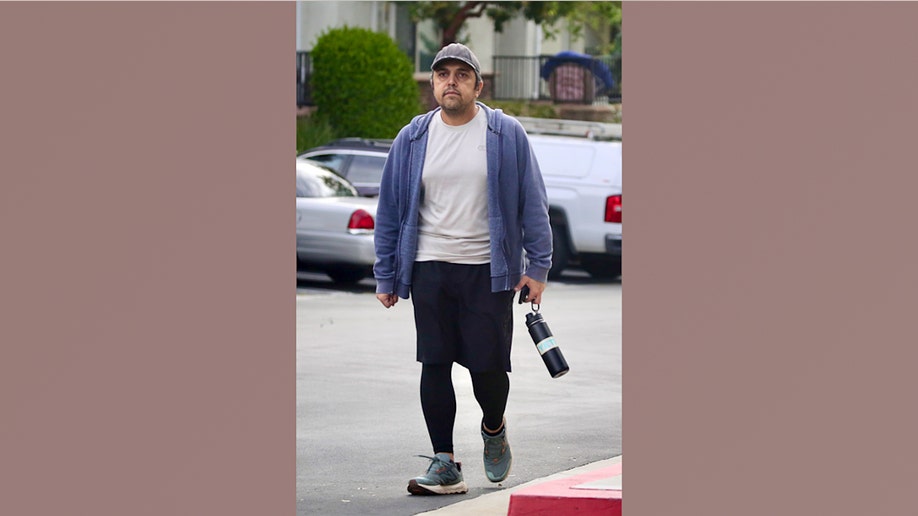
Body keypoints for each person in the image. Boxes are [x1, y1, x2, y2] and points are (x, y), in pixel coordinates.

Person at [373, 42, 552, 496]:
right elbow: (390, 211)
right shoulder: (412, 138)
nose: (450, 81)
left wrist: (539, 266)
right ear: (433, 83)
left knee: (486, 369)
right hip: (429, 265)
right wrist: (386, 274)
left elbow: (533, 203)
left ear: (477, 84)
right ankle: (445, 463)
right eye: (442, 74)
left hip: (486, 270)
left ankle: (494, 428)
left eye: (461, 74)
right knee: (433, 364)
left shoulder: (504, 134)